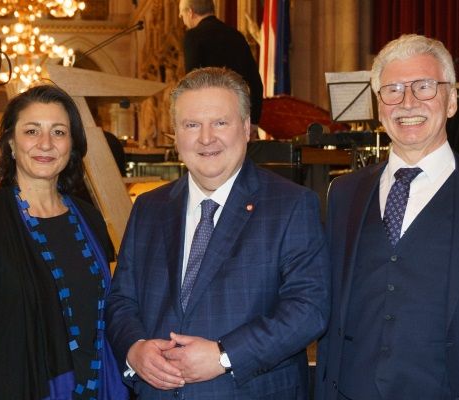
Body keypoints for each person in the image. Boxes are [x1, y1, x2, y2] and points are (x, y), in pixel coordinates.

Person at [315, 34, 459, 400]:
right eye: (393, 90)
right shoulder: (343, 193)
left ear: (451, 101)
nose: (407, 102)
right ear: (379, 105)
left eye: (424, 87)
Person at [106, 67, 330, 399]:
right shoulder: (149, 208)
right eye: (191, 125)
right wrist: (134, 349)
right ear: (175, 135)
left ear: (246, 128)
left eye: (220, 123)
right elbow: (121, 300)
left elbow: (309, 308)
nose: (206, 138)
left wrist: (225, 355)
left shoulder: (291, 205)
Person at [0, 84, 128, 400]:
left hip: (100, 387)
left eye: (59, 132)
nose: (46, 143)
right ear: (11, 144)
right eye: (32, 131)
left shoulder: (89, 218)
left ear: (72, 144)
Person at [179, 0, 264, 133]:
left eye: (182, 15)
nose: (182, 19)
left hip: (210, 122)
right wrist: (253, 121)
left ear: (190, 12)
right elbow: (255, 82)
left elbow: (193, 84)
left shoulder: (193, 37)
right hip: (237, 118)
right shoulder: (236, 35)